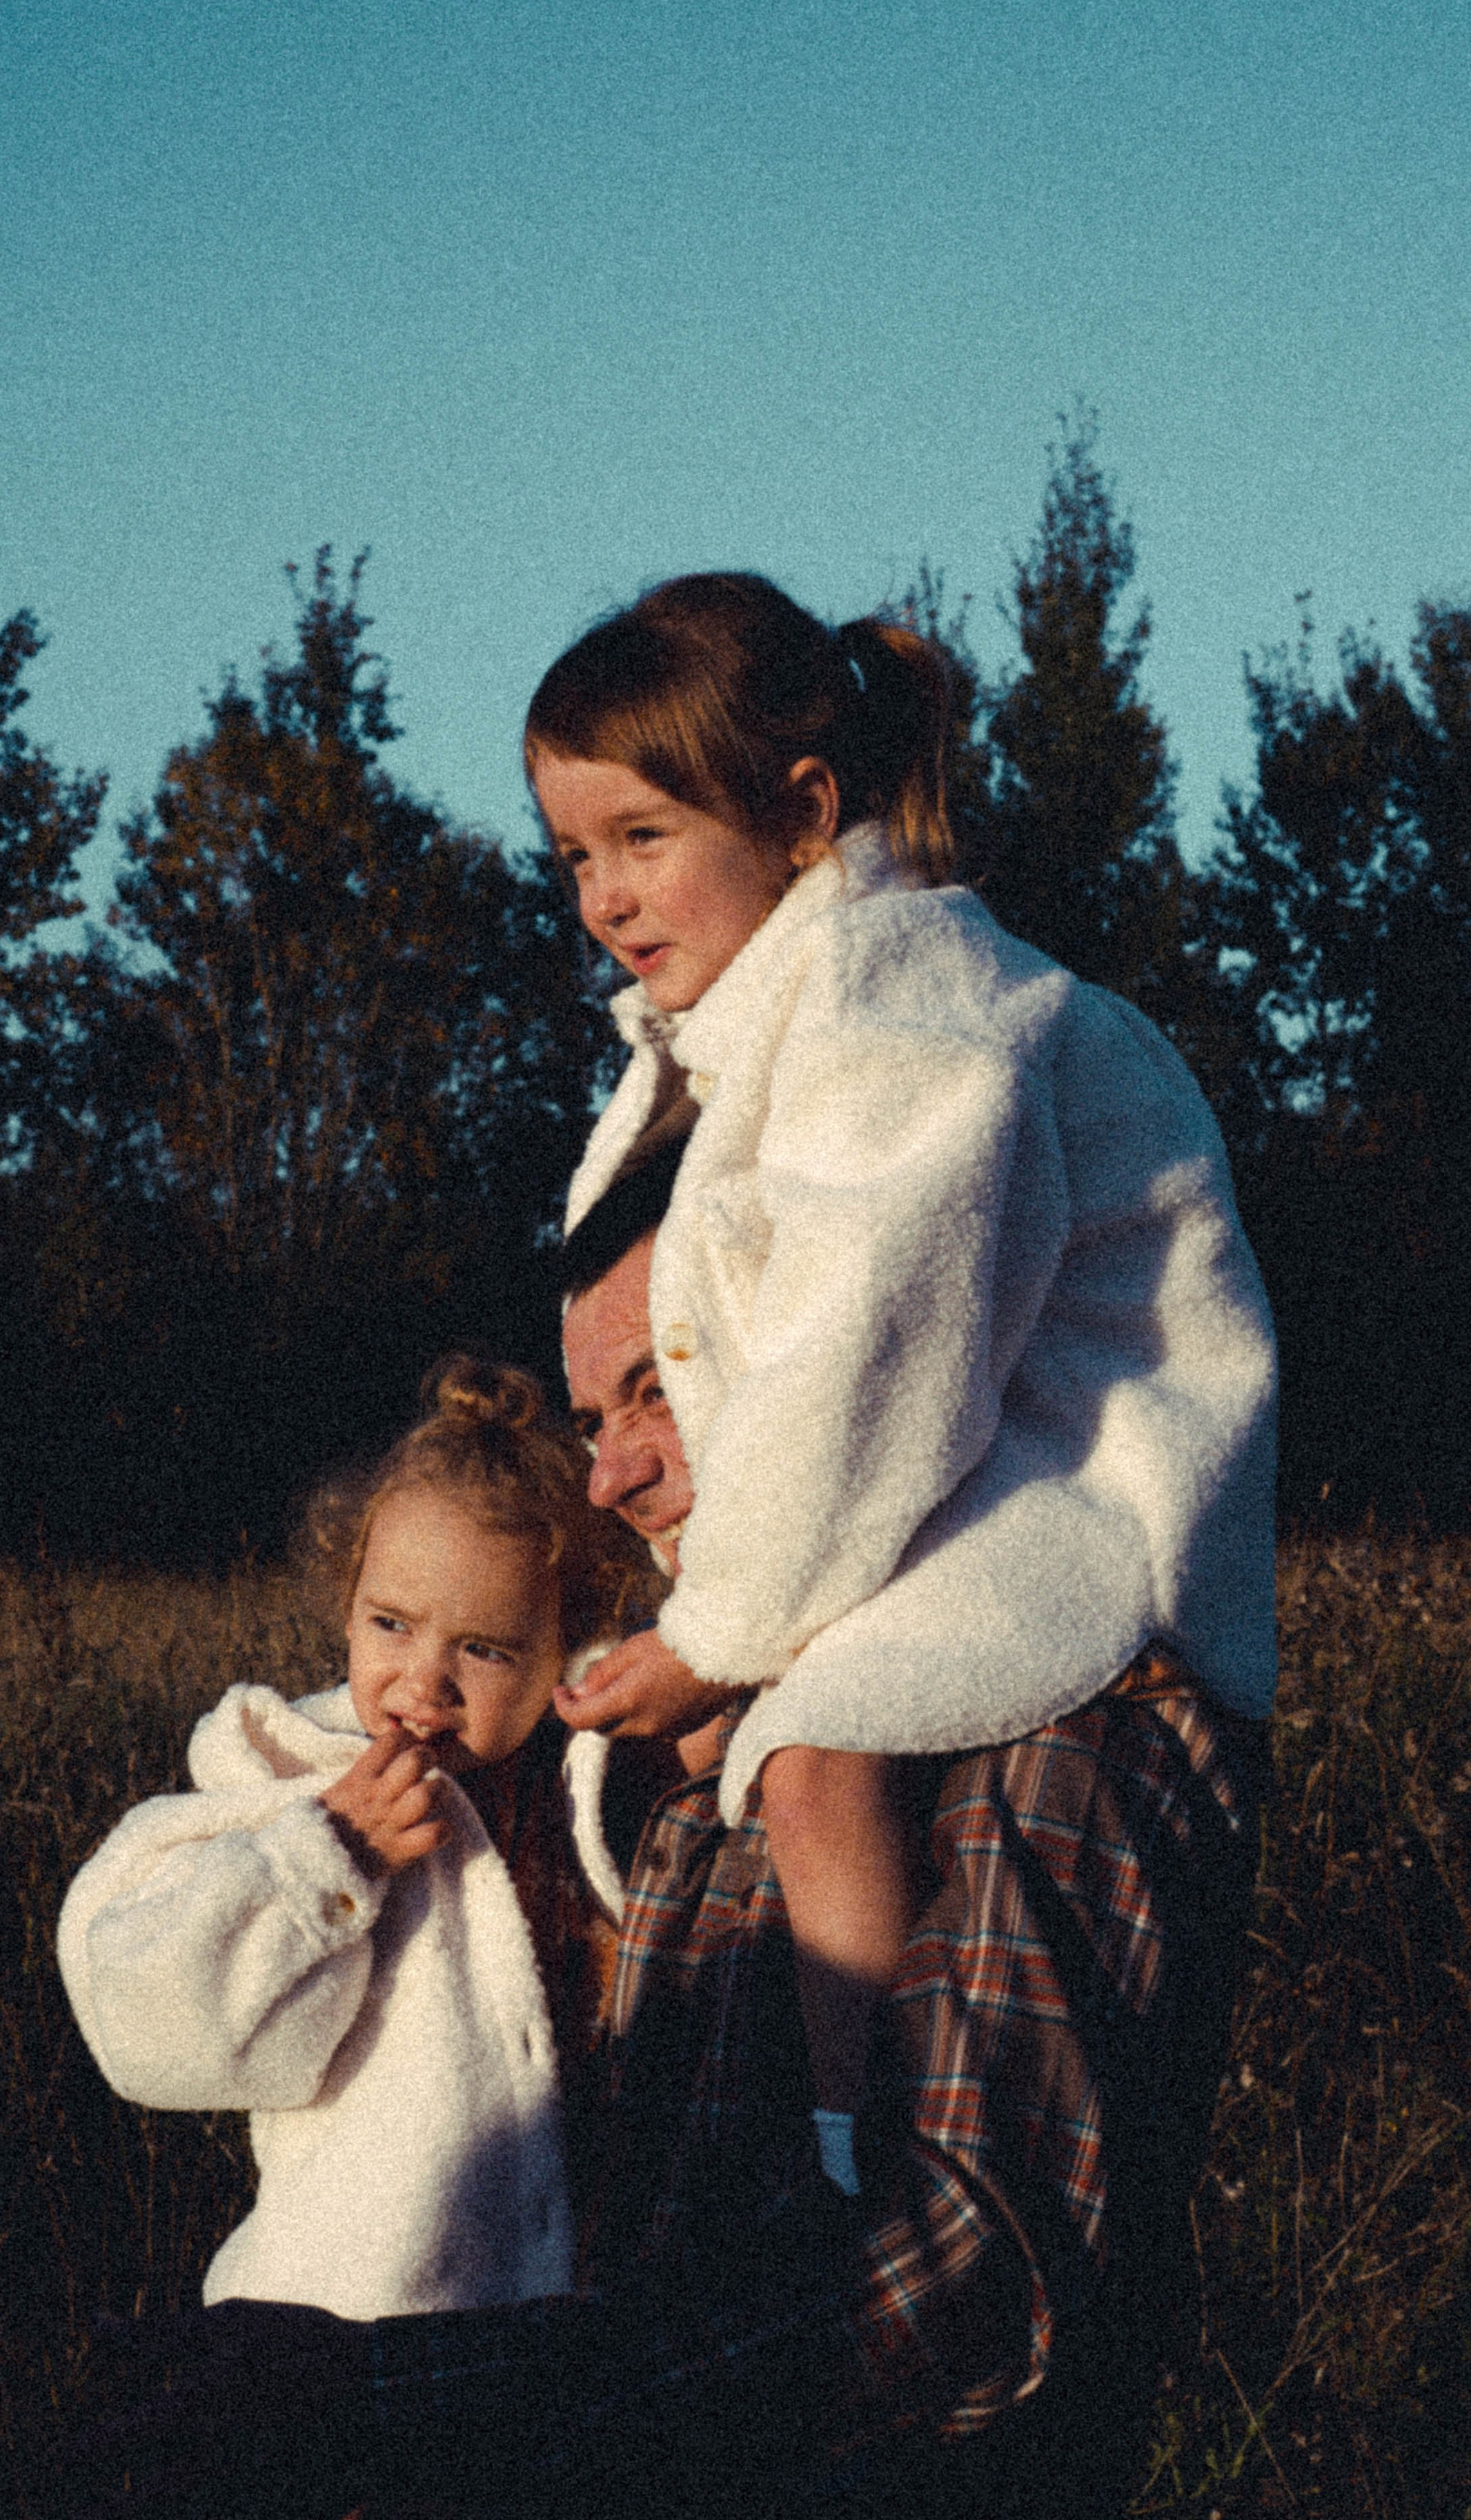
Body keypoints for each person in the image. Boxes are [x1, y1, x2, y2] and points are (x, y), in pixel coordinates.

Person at [62, 1169, 1264, 2520]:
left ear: (841, 1370)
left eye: (664, 1390)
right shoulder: (625, 1759)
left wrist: (373, 2401)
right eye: (592, 1417)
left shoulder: (1043, 1722)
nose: (615, 1472)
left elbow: (965, 2286)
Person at [525, 571, 1277, 2118]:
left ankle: (852, 2136)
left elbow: (862, 1352)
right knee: (750, 1758)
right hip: (984, 1483)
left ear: (802, 813)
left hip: (1093, 1501)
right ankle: (771, 2136)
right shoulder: (748, 1037)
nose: (602, 895)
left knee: (811, 1757)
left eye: (643, 839)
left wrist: (723, 1625)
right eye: (575, 854)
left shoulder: (908, 1003)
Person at [57, 1357, 642, 2322]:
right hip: (338, 2324)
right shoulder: (287, 1787)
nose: (424, 1681)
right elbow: (145, 2027)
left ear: (562, 1651)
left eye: (484, 1649)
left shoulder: (584, 1789)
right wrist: (325, 1858)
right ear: (348, 1606)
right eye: (391, 1624)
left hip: (554, 2336)